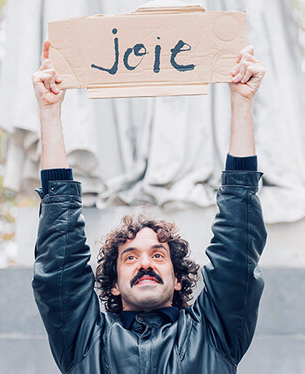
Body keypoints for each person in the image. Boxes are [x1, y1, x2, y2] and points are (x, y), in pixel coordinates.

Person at [31, 40, 267, 373]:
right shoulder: (85, 341)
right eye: (130, 257)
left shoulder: (213, 335)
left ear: (178, 280)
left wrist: (242, 103)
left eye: (158, 255)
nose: (145, 263)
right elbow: (60, 259)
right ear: (114, 284)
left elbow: (237, 248)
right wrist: (50, 113)